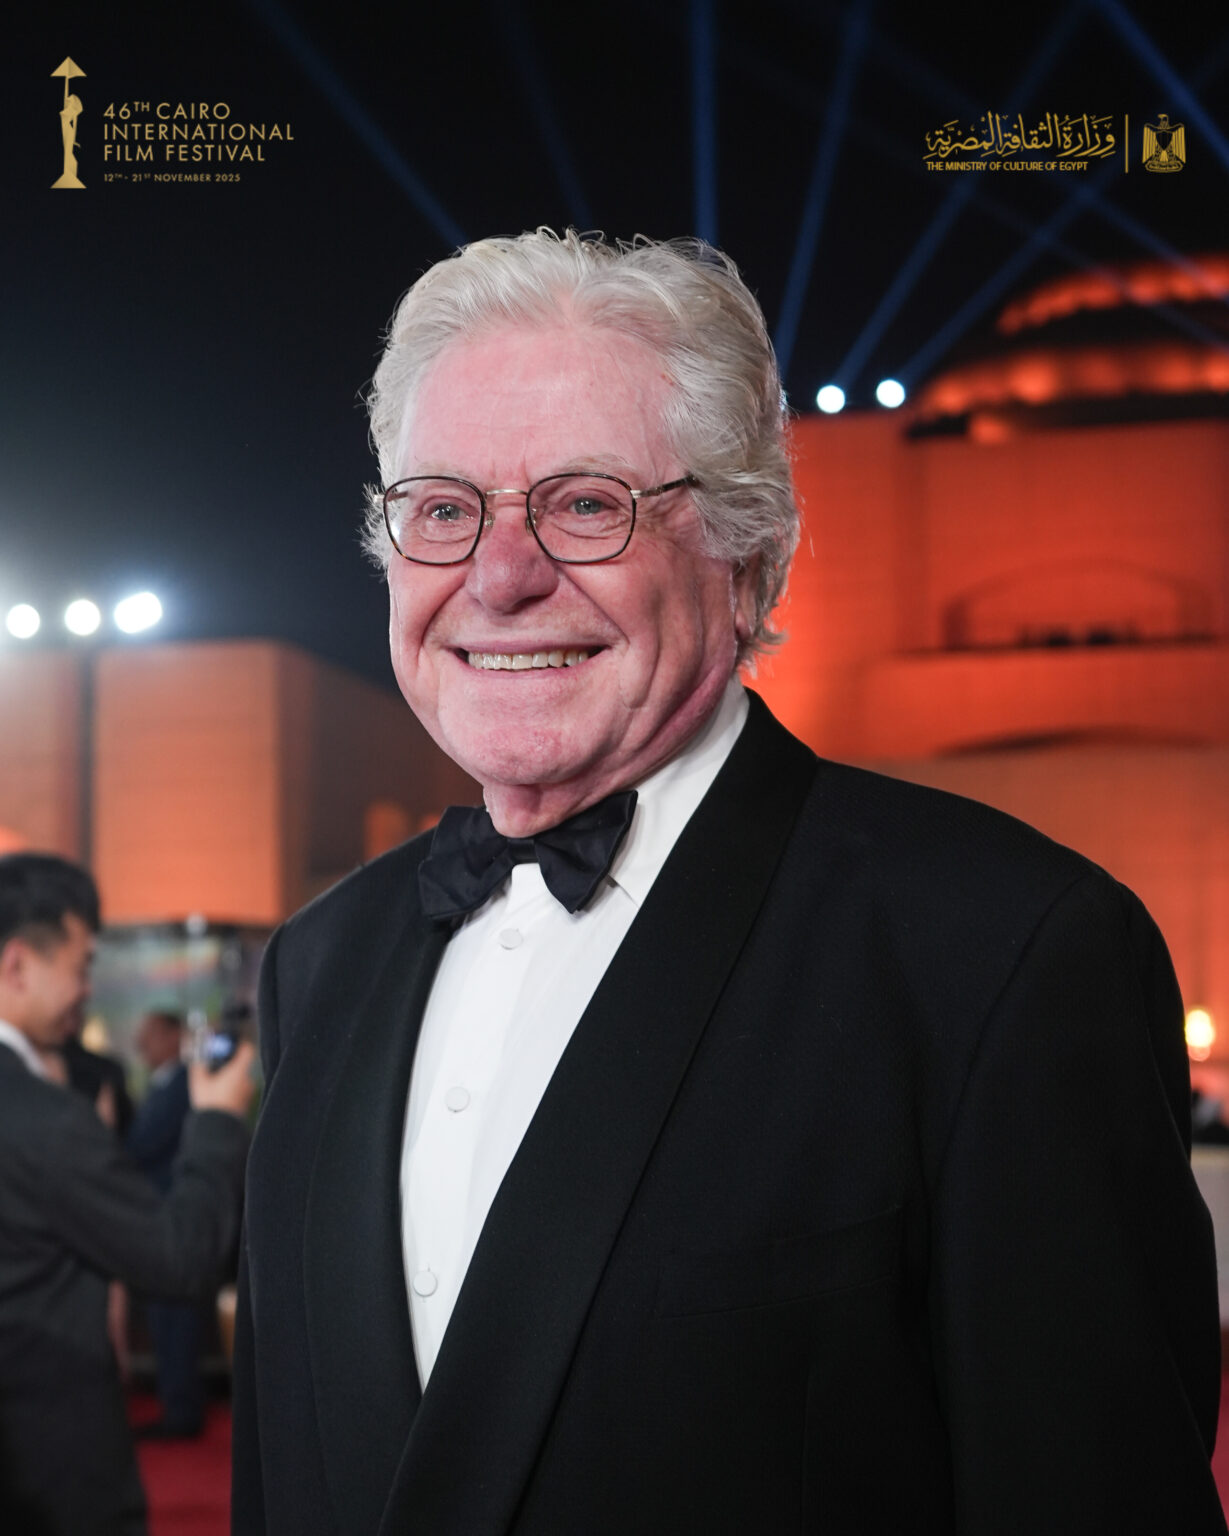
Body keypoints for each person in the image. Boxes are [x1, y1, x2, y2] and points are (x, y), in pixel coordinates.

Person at [233, 230, 1225, 1535]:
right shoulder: (318, 961)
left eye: (586, 504)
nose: (500, 574)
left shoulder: (1005, 954)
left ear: (747, 555)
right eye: (443, 509)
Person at [0, 853, 254, 1536]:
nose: (87, 990)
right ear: (18, 965)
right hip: (45, 1470)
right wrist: (218, 1120)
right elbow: (180, 1260)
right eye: (81, 967)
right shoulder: (40, 1117)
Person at [126, 1008, 205, 1438]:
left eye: (151, 1034)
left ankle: (181, 1410)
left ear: (175, 1036)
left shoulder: (182, 1083)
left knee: (176, 1319)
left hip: (171, 1217)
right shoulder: (164, 1084)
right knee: (166, 1320)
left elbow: (144, 1143)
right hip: (158, 1215)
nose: (142, 1044)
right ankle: (177, 1404)